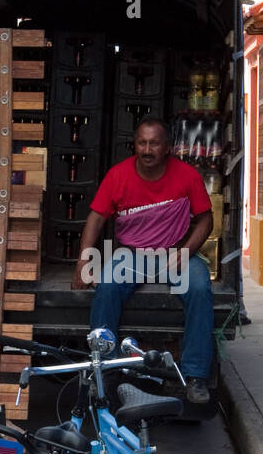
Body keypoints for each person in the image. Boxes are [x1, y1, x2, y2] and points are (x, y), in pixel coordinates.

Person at [70, 116, 214, 404]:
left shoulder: (187, 176)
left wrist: (185, 251)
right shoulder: (118, 175)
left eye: (155, 144)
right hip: (132, 254)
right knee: (107, 286)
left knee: (200, 290)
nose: (148, 150)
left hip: (175, 253)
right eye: (142, 143)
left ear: (167, 148)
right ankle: (103, 369)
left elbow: (206, 220)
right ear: (134, 145)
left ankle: (195, 376)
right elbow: (97, 217)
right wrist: (83, 261)